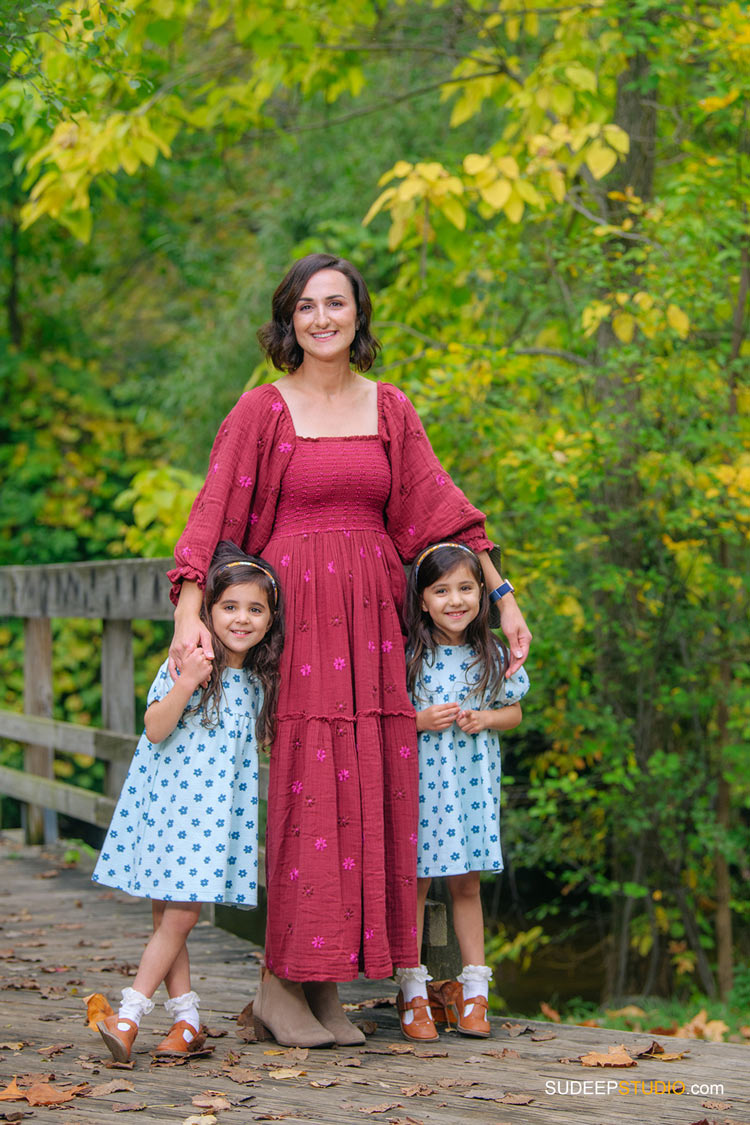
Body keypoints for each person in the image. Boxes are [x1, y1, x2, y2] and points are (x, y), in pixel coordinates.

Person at [167, 252, 532, 1048]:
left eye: (337, 303)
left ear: (359, 315)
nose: (323, 318)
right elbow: (212, 512)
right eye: (307, 306)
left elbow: (441, 515)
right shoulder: (262, 411)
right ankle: (276, 985)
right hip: (300, 625)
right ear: (288, 320)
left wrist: (500, 596)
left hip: (374, 628)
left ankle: (322, 986)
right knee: (308, 792)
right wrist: (188, 611)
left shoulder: (390, 408)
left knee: (367, 789)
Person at [92, 541, 284, 1062]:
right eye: (229, 606)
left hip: (214, 821)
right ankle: (182, 1021)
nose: (241, 619)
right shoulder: (188, 661)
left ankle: (129, 1016)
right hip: (165, 806)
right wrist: (190, 682)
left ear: (270, 620)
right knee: (169, 920)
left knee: (178, 918)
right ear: (208, 611)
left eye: (255, 609)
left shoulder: (263, 681)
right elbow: (155, 728)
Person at [394, 542, 529, 1041]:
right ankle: (412, 990)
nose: (456, 600)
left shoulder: (491, 652)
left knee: (467, 885)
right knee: (417, 885)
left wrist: (486, 719)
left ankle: (475, 994)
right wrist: (419, 720)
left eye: (467, 588)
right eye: (441, 590)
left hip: (471, 789)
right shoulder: (408, 655)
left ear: (482, 595)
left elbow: (513, 711)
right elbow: (389, 720)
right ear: (423, 599)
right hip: (424, 790)